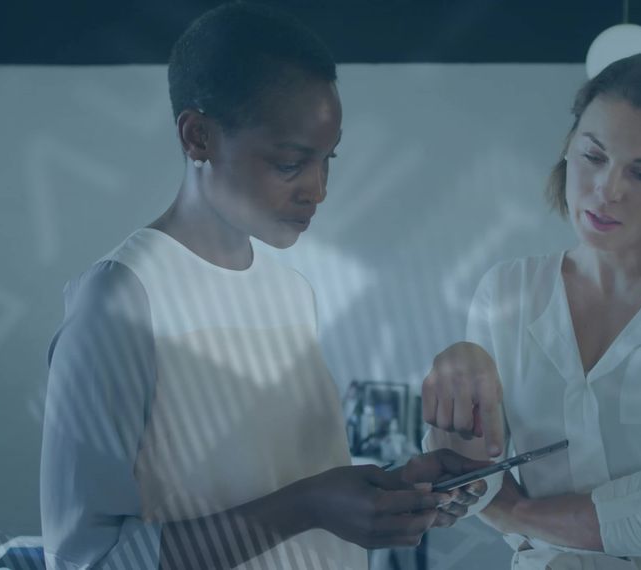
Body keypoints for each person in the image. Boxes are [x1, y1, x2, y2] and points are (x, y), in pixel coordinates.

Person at [40, 3, 487, 569]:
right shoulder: (121, 302)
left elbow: (282, 486)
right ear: (198, 136)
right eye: (290, 163)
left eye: (329, 160)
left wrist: (392, 490)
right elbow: (88, 560)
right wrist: (309, 506)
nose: (318, 190)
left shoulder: (291, 291)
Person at [421, 53, 641, 569]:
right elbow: (466, 482)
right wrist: (456, 373)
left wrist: (514, 513)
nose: (608, 191)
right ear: (568, 148)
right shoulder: (506, 291)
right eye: (593, 156)